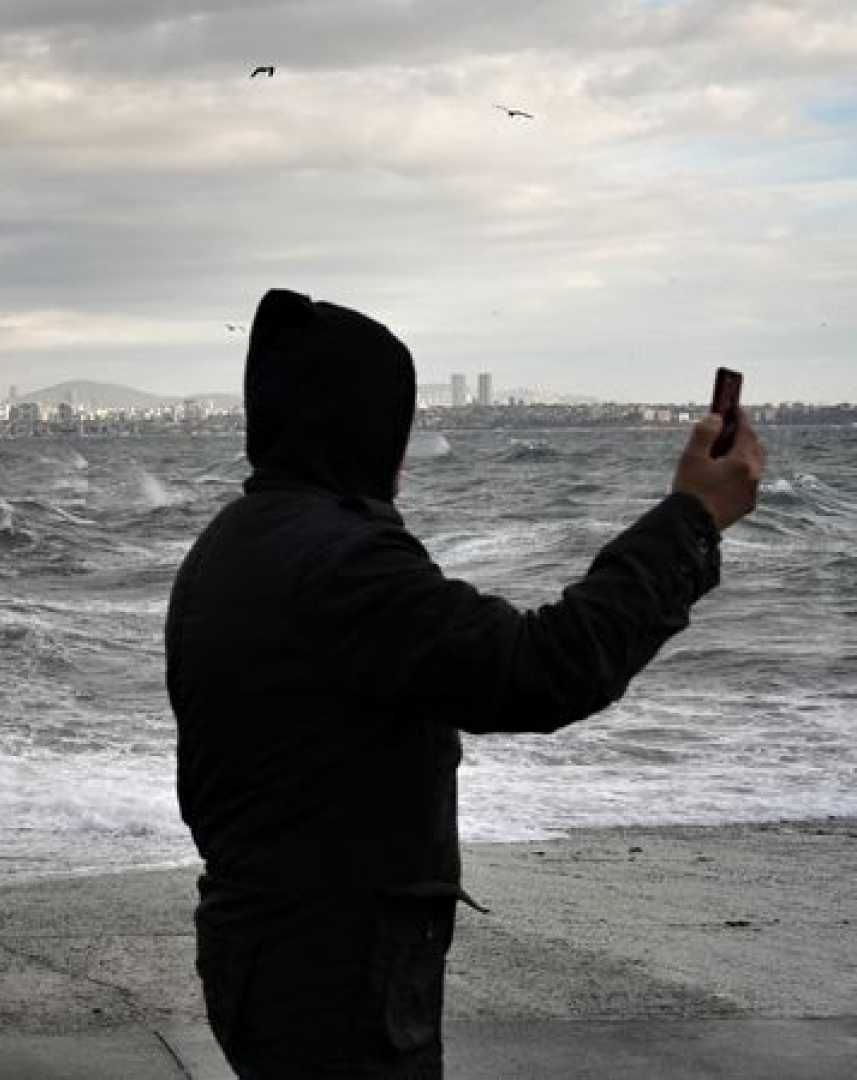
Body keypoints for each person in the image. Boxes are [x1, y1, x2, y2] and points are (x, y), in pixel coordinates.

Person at [165, 288, 763, 1078]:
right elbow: (542, 669)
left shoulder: (240, 540)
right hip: (330, 971)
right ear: (370, 428)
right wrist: (691, 519)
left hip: (268, 946)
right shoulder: (339, 564)